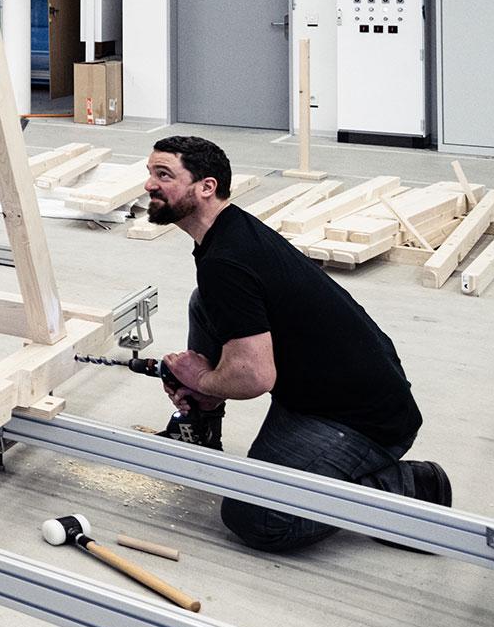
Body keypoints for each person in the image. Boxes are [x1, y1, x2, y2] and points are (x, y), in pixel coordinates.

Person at [143, 135, 451, 551]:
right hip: (323, 391)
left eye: (164, 175)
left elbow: (255, 377)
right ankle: (201, 422)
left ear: (206, 187)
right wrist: (208, 390)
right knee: (205, 303)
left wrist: (200, 377)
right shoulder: (229, 232)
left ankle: (399, 485)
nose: (149, 184)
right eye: (150, 173)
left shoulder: (226, 259)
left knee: (255, 519)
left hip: (359, 421)